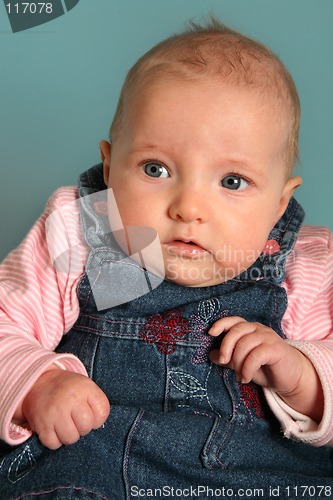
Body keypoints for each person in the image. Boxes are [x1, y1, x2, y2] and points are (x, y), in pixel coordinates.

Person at [0, 17, 332, 499]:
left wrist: (304, 375)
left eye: (232, 182)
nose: (188, 208)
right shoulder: (86, 230)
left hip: (260, 480)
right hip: (97, 472)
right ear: (111, 167)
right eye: (156, 169)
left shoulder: (304, 264)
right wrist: (38, 384)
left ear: (279, 205)